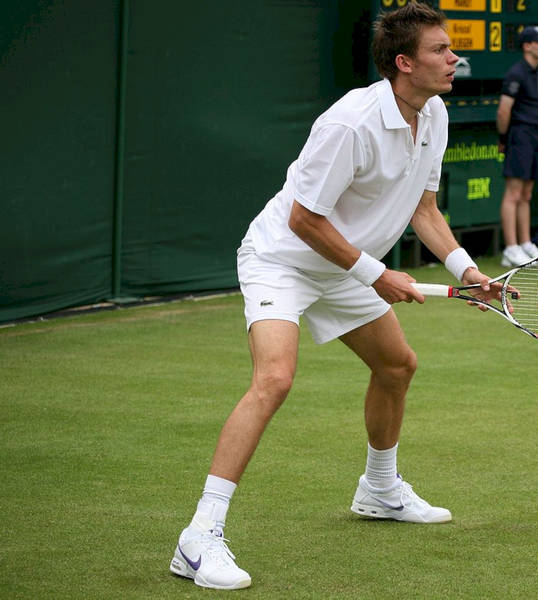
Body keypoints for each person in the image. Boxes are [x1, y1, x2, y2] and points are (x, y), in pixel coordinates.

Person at [168, 3, 498, 590]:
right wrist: (377, 274)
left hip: (344, 266)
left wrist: (465, 268)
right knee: (274, 379)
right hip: (283, 261)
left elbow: (424, 209)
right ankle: (199, 536)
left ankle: (380, 489)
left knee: (396, 365)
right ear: (404, 63)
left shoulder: (435, 113)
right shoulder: (350, 123)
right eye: (440, 50)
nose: (454, 58)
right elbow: (304, 219)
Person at [496, 25, 538, 267]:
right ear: (527, 46)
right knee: (514, 193)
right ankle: (510, 248)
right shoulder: (516, 73)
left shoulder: (537, 73)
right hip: (519, 136)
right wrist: (504, 138)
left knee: (526, 194)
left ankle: (526, 244)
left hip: (535, 135)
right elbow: (503, 111)